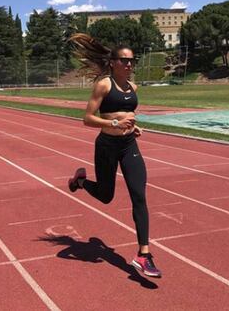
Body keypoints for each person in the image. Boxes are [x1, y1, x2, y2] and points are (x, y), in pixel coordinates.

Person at [67, 33, 161, 278]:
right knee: (106, 196)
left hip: (129, 145)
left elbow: (126, 114)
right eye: (124, 60)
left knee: (139, 195)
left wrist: (131, 127)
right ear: (113, 62)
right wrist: (116, 123)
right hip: (107, 146)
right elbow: (87, 119)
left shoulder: (133, 87)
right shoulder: (104, 85)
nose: (129, 64)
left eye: (132, 60)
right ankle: (80, 181)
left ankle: (144, 255)